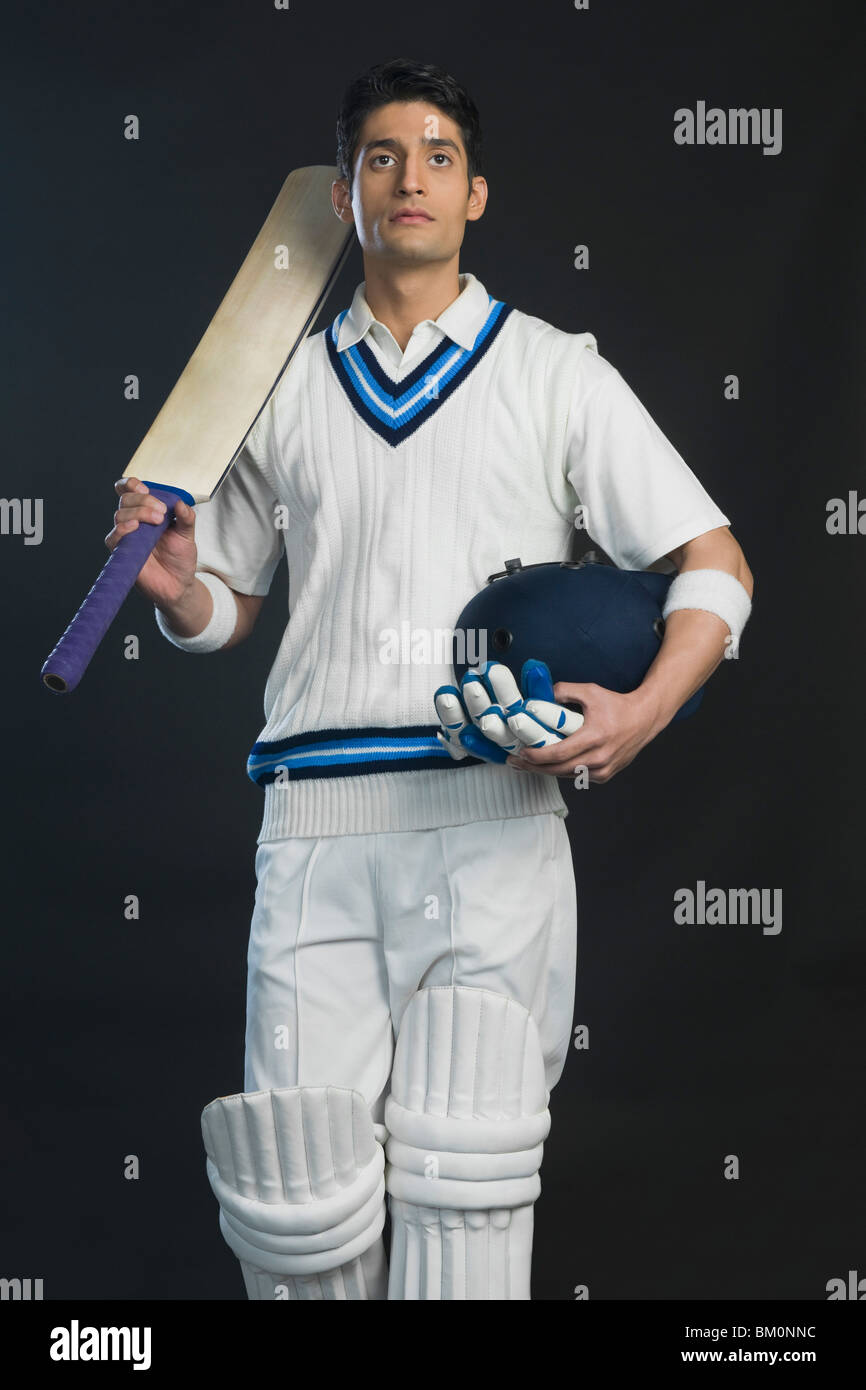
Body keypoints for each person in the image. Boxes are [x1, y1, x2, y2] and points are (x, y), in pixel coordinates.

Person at [106, 57, 753, 1300]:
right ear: (344, 195)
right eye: (382, 157)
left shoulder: (553, 371)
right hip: (312, 825)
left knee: (468, 1185)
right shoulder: (278, 384)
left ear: (476, 196)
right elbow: (226, 611)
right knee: (298, 1206)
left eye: (438, 157)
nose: (411, 177)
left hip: (489, 816)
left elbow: (711, 563)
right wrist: (181, 584)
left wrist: (645, 709)